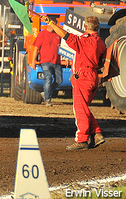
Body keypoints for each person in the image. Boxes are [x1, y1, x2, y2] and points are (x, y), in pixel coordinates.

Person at [42, 14, 106, 150]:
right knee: (83, 108)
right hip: (93, 76)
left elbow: (66, 35)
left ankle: (82, 139)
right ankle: (97, 133)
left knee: (80, 109)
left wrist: (51, 24)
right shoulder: (100, 42)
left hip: (82, 76)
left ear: (85, 27)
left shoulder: (84, 41)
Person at [31, 15, 62, 106]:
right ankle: (48, 100)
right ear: (48, 24)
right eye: (52, 24)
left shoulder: (58, 35)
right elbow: (36, 48)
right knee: (48, 78)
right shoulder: (42, 34)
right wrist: (33, 62)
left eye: (55, 24)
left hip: (56, 61)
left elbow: (63, 48)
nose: (53, 26)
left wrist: (67, 59)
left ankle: (46, 93)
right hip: (45, 61)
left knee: (59, 80)